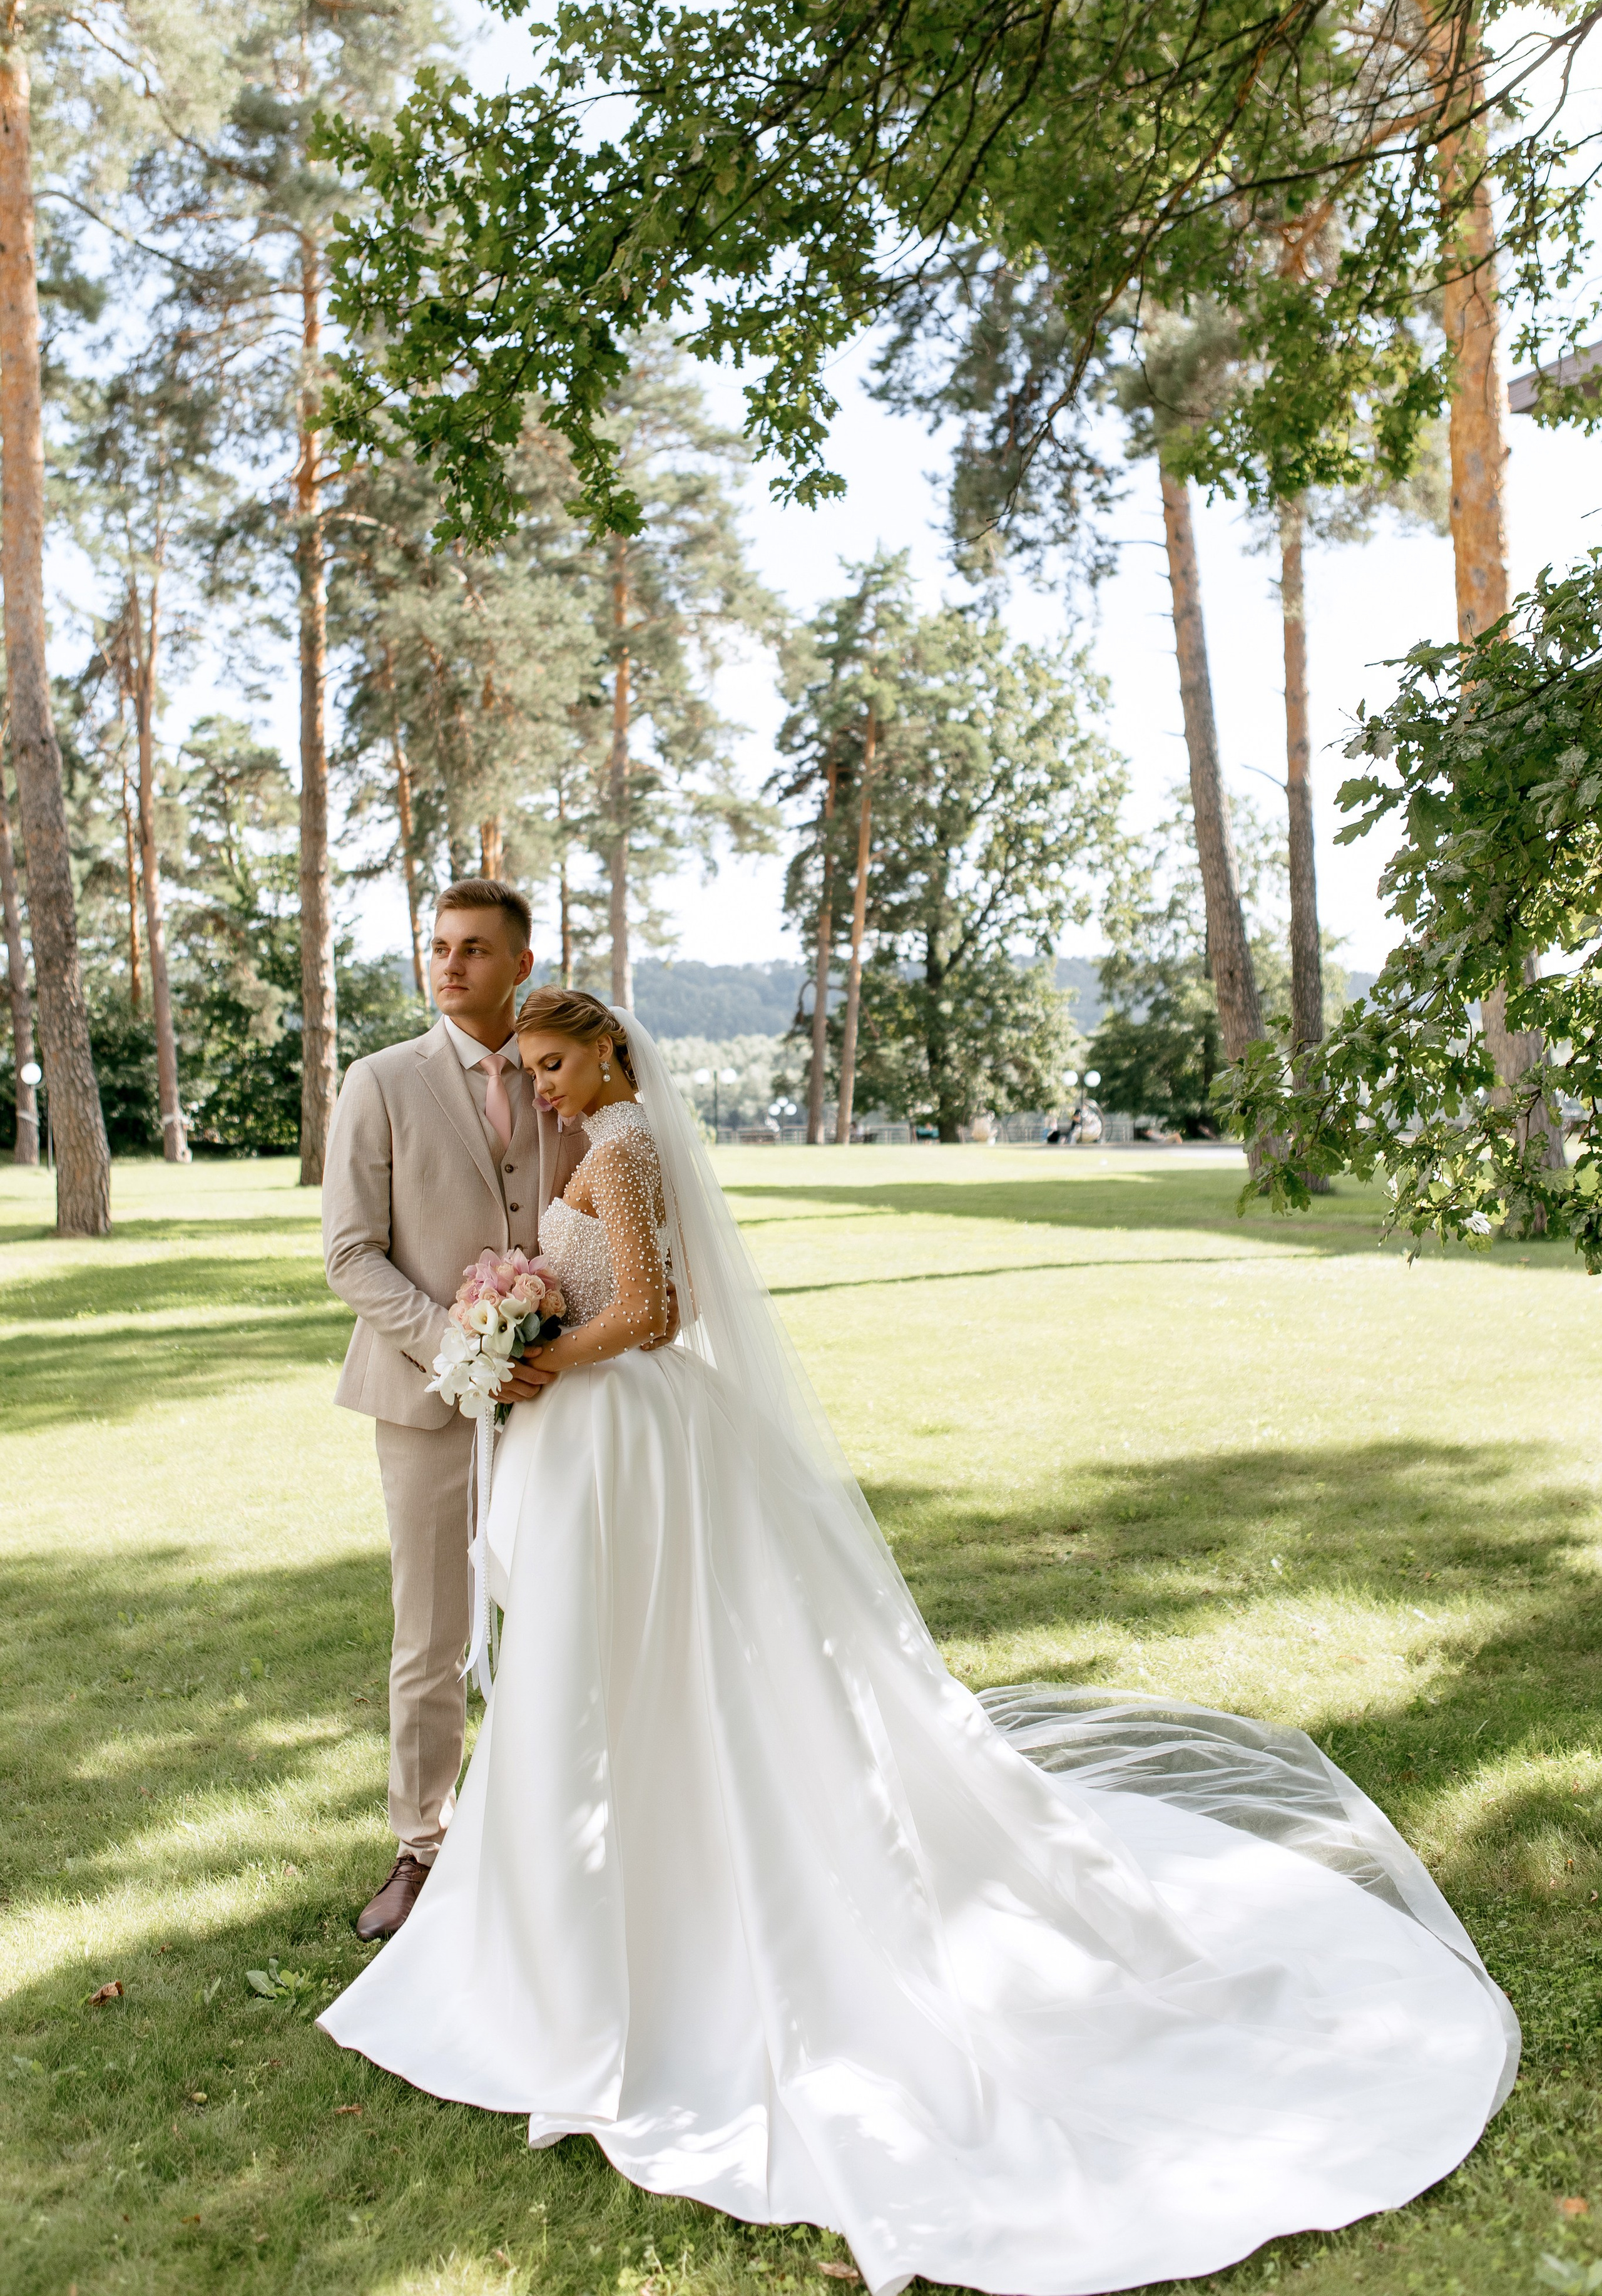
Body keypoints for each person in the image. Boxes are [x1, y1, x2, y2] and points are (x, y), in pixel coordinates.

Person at [322, 989, 1517, 2296]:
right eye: (533, 1068)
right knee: (601, 1673)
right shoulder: (609, 1140)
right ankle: (574, 1904)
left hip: (626, 1425)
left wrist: (540, 1348)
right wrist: (532, 1327)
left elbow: (656, 1315)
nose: (540, 1085)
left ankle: (636, 1915)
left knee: (645, 1662)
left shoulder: (621, 1147)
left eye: (555, 1063)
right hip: (612, 1436)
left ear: (608, 1049)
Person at [319, 881, 579, 1941]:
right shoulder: (380, 1082)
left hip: (568, 1402)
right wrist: (460, 1348)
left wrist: (554, 1351)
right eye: (438, 947)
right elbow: (350, 1253)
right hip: (426, 1405)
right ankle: (421, 1849)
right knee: (430, 1634)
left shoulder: (570, 1076)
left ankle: (557, 1835)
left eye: (475, 949)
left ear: (522, 963)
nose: (451, 964)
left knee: (568, 1617)